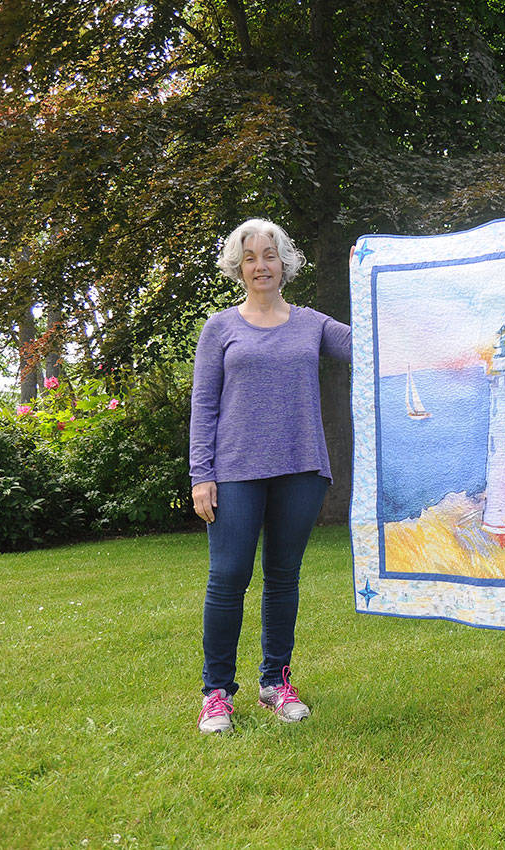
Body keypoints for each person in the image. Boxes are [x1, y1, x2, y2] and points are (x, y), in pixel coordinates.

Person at [189, 218, 352, 734]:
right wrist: (201, 474)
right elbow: (203, 406)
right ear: (238, 268)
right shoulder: (220, 328)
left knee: (283, 578)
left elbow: (370, 345)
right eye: (250, 258)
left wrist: (370, 278)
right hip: (235, 472)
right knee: (228, 578)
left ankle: (275, 683)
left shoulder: (312, 324)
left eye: (270, 255)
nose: (261, 265)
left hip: (301, 468)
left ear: (285, 264)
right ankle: (216, 694)